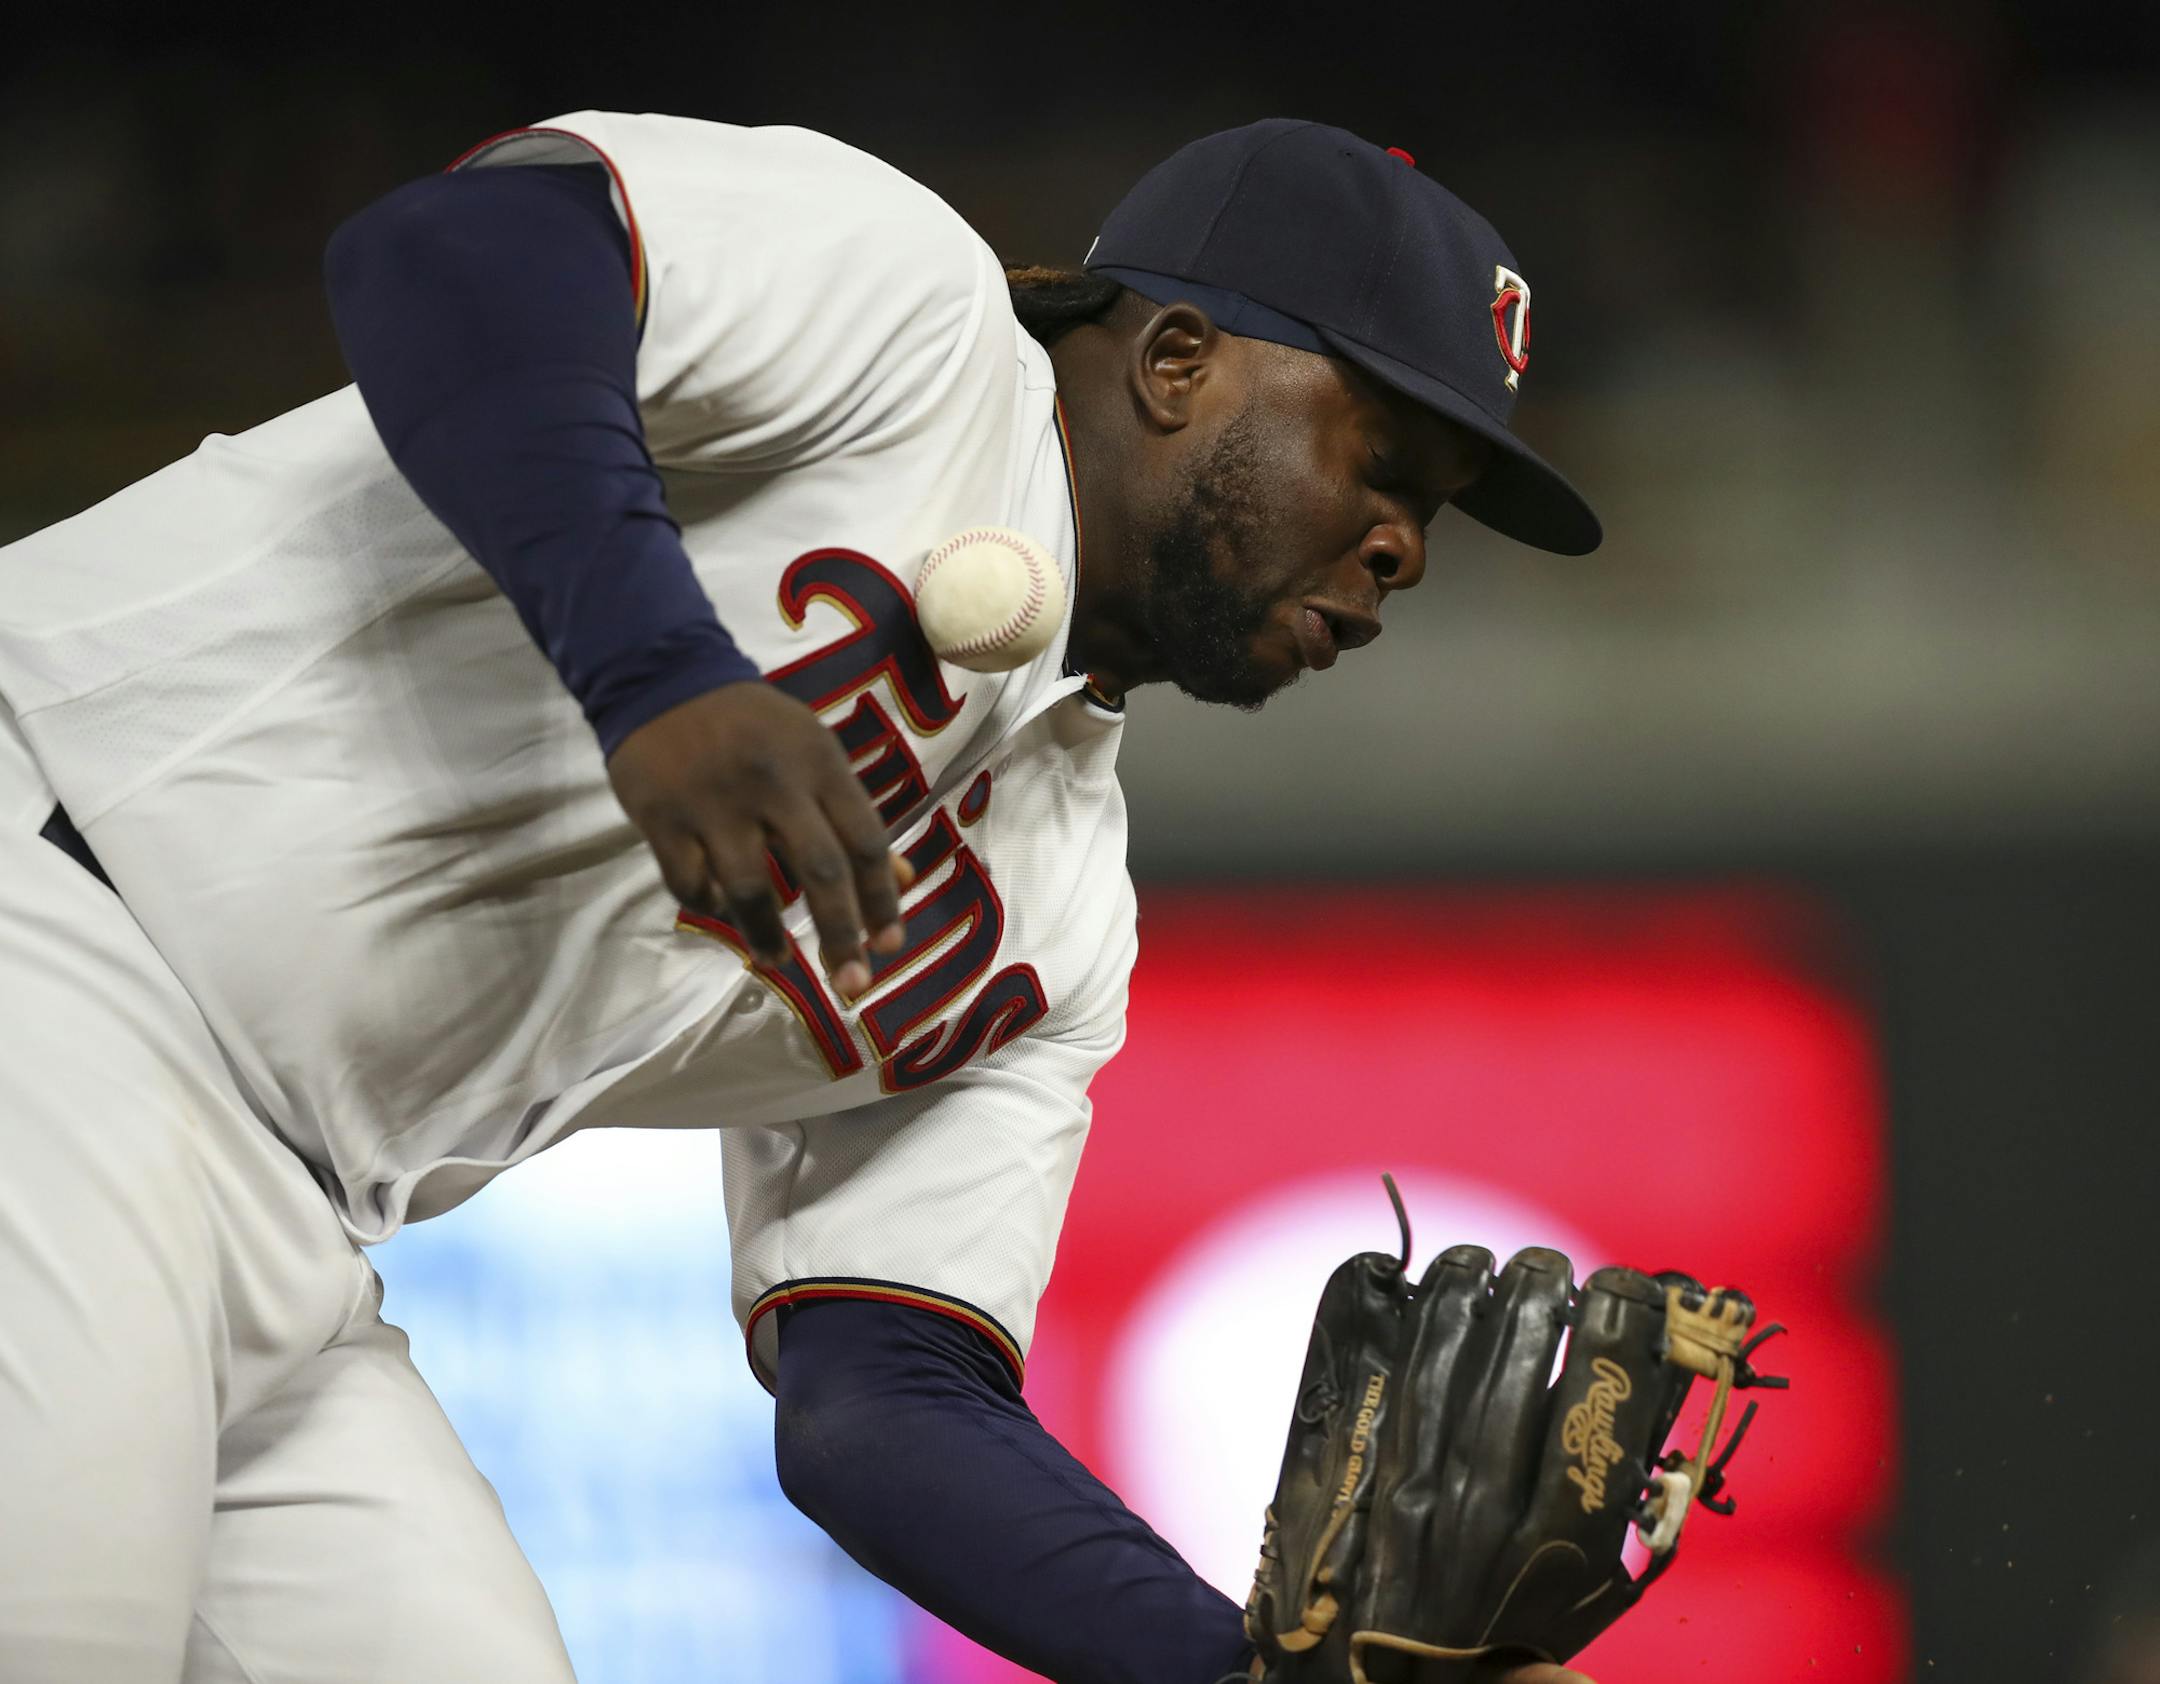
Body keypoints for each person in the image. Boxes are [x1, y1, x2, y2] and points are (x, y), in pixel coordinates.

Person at [0, 113, 1602, 1684]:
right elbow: (453, 248)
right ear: (1178, 362)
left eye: (1437, 515)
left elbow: (885, 1403)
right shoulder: (911, 315)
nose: (1402, 548)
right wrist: (654, 673)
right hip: (59, 908)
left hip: (297, 1225)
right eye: (1380, 460)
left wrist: (1248, 1672)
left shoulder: (1060, 921)